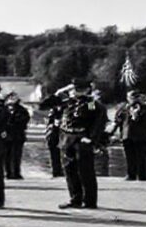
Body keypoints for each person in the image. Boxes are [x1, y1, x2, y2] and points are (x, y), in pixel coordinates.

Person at [41, 78, 107, 209]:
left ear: (87, 90)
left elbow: (97, 121)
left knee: (85, 171)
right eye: (75, 89)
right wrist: (59, 92)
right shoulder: (67, 102)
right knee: (69, 171)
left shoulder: (90, 103)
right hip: (66, 138)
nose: (76, 91)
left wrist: (91, 138)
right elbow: (43, 105)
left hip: (81, 138)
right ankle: (75, 198)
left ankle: (89, 201)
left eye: (80, 89)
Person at [112, 90, 146, 181]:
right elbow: (118, 120)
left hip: (141, 136)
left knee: (142, 157)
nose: (133, 100)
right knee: (129, 157)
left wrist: (136, 115)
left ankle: (142, 175)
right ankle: (131, 174)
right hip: (127, 135)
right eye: (131, 98)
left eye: (135, 98)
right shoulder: (124, 108)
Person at [4, 92, 30, 179]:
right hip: (6, 135)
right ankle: (8, 172)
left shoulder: (22, 110)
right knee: (7, 155)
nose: (12, 100)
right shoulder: (3, 109)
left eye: (14, 98)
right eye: (10, 98)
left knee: (16, 155)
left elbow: (24, 121)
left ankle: (16, 172)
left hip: (18, 135)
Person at [44, 104, 64, 177]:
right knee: (55, 153)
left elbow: (92, 110)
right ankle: (56, 171)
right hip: (55, 134)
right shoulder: (55, 109)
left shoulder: (90, 102)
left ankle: (58, 170)